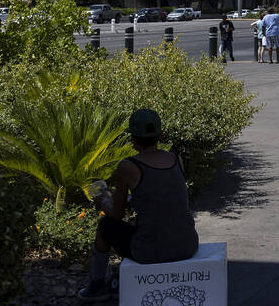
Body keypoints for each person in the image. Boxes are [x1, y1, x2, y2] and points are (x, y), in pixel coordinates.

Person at [78, 109, 199, 301]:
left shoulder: (128, 166)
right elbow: (160, 196)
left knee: (105, 226)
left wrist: (102, 199)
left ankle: (97, 286)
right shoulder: (177, 159)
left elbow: (116, 215)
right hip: (188, 245)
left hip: (151, 252)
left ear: (132, 139)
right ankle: (119, 278)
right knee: (140, 225)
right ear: (161, 135)